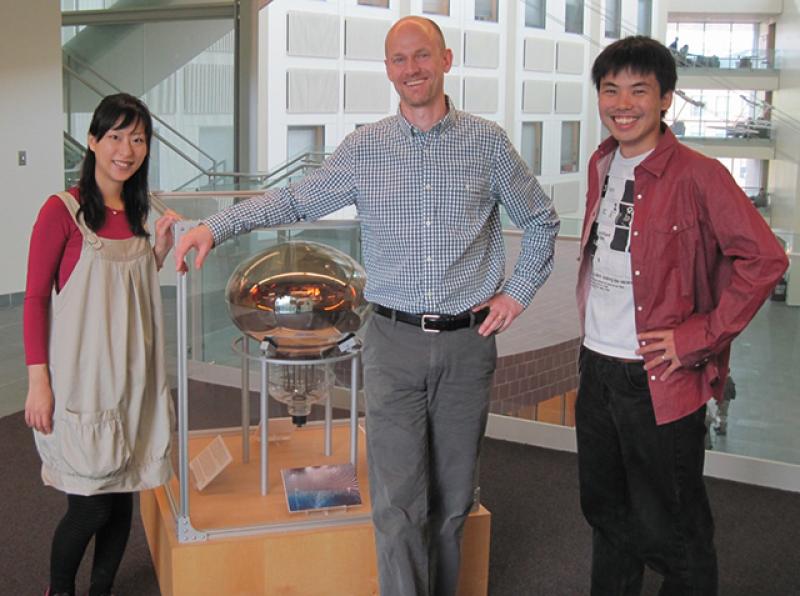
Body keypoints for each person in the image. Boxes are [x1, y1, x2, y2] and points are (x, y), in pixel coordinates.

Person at [175, 16, 558, 596]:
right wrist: (215, 226)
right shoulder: (365, 148)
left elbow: (541, 221)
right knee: (397, 505)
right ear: (387, 70)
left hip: (467, 344)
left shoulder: (487, 142)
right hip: (392, 346)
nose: (412, 69)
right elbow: (295, 200)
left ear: (446, 60)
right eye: (399, 59)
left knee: (454, 501)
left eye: (422, 55)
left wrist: (517, 294)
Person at [575, 36, 788, 595]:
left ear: (666, 98)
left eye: (639, 91)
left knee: (675, 532)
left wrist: (699, 337)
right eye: (611, 90)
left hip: (657, 376)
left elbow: (765, 260)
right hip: (596, 367)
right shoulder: (602, 162)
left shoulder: (700, 174)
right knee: (607, 514)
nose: (623, 104)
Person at [23, 93, 179, 596]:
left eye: (138, 139)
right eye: (115, 136)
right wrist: (38, 382)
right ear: (92, 141)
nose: (126, 150)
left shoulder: (140, 213)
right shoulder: (62, 211)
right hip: (83, 381)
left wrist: (157, 253)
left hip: (134, 379)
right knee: (90, 504)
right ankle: (59, 590)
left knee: (123, 496)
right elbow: (34, 300)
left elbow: (126, 292)